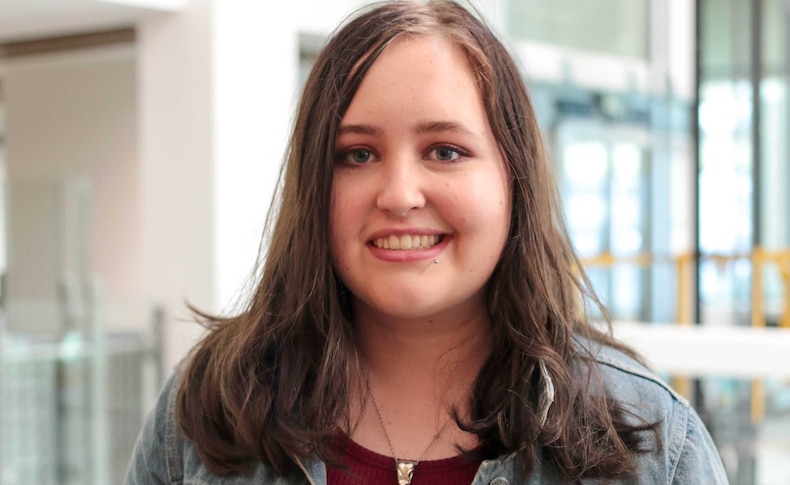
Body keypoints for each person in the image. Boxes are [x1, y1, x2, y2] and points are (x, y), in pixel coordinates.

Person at [125, 1, 729, 484]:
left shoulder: (651, 444)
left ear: (513, 179)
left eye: (446, 151)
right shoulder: (209, 407)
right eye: (356, 155)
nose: (398, 194)